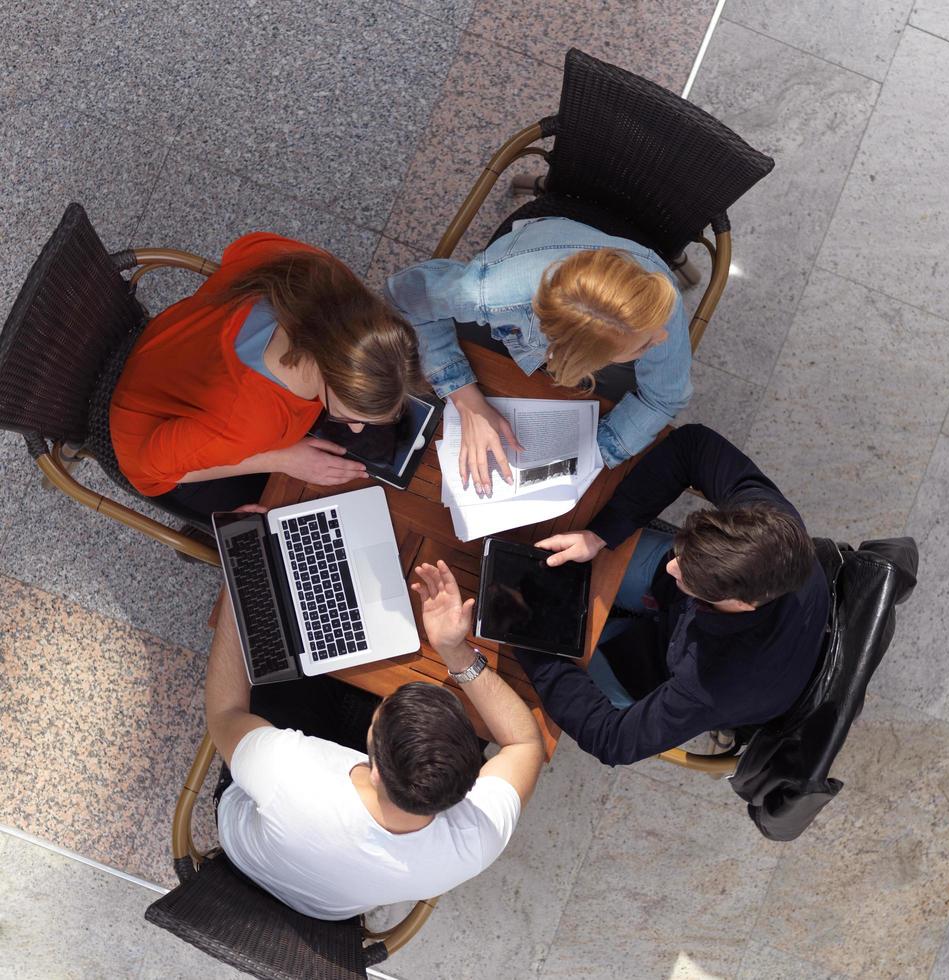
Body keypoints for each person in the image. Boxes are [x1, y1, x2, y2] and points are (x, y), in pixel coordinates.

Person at [205, 560, 545, 920]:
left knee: (294, 650)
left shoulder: (289, 772)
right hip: (327, 899)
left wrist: (236, 587)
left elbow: (224, 714)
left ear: (376, 772)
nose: (383, 703)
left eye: (380, 714)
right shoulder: (475, 841)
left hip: (262, 816)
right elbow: (525, 744)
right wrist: (454, 651)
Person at [511, 424, 830, 767]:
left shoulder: (713, 687)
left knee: (532, 661)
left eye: (689, 575)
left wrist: (529, 638)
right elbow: (692, 445)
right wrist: (601, 535)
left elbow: (612, 739)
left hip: (660, 664)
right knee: (553, 549)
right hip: (687, 615)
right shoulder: (770, 527)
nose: (672, 568)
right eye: (684, 553)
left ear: (740, 603)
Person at [110, 232, 424, 519]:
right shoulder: (247, 422)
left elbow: (247, 246)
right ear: (330, 370)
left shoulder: (325, 275)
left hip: (171, 350)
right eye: (350, 415)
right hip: (146, 429)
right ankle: (202, 537)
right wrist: (279, 460)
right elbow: (145, 468)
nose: (356, 428)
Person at [385, 216, 693, 495]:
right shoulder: (490, 296)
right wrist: (467, 402)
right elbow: (405, 297)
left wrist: (591, 456)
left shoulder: (654, 293)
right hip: (526, 265)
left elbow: (665, 397)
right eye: (642, 347)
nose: (664, 337)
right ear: (577, 358)